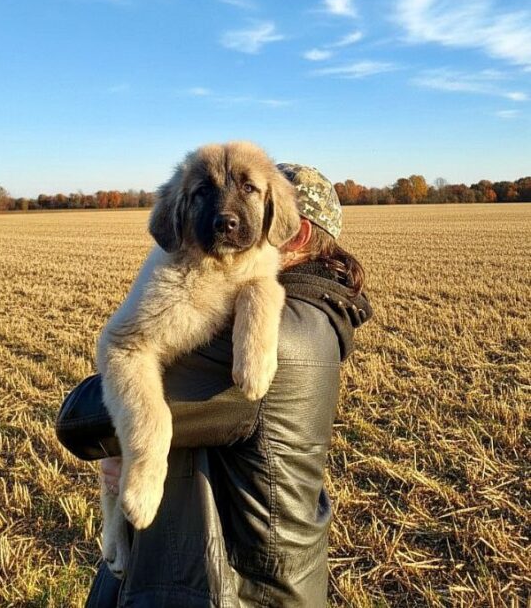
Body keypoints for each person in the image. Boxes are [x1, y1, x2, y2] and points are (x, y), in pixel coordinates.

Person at [56, 164, 372, 607]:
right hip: (265, 576)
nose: (227, 213)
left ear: (292, 233)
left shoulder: (277, 331)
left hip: (231, 588)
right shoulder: (318, 313)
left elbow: (82, 423)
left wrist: (124, 438)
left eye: (248, 194)